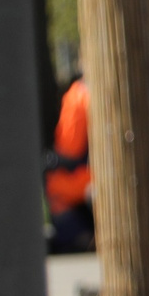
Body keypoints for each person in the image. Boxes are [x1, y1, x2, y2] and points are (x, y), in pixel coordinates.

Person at [46, 74, 95, 254]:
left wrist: (53, 161)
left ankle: (79, 236)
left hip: (91, 175)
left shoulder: (78, 96)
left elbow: (71, 151)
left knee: (56, 186)